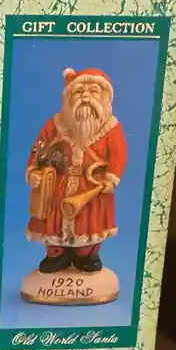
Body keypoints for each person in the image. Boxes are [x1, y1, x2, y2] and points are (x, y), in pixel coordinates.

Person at [25, 67, 127, 274]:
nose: (86, 97)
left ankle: (87, 255)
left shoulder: (111, 128)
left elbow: (118, 154)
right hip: (58, 186)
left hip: (91, 187)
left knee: (90, 221)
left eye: (93, 91)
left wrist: (110, 178)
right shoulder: (55, 124)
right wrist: (34, 171)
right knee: (54, 220)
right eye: (79, 92)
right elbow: (38, 149)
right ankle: (56, 254)